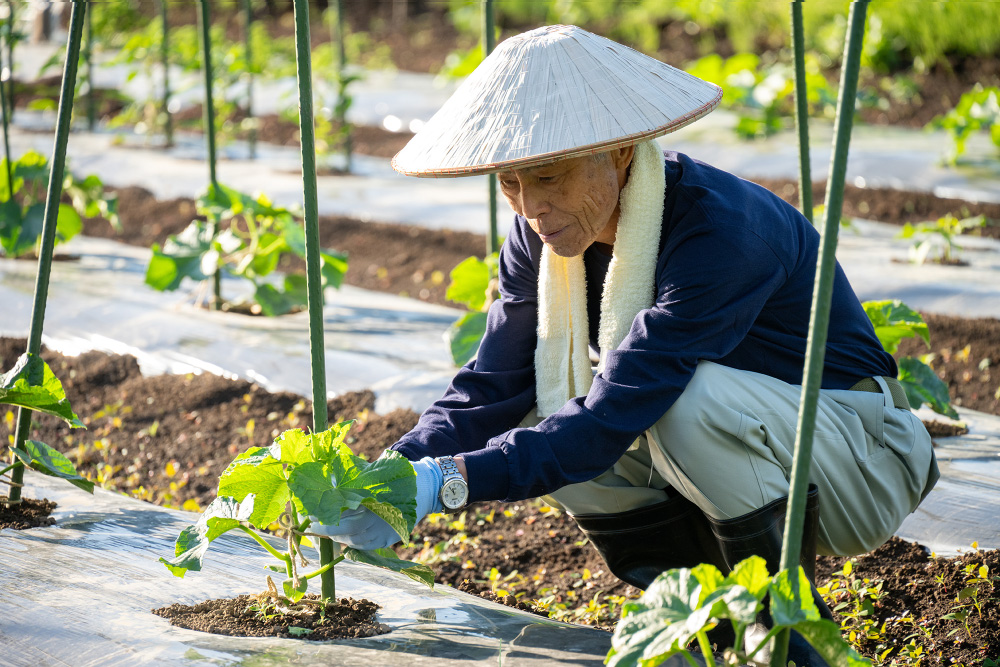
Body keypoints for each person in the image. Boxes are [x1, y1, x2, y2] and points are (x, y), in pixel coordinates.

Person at [312, 25, 938, 664]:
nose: (531, 207)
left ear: (616, 152)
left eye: (550, 176)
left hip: (857, 455)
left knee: (681, 400)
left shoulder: (719, 232)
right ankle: (704, 625)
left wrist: (445, 483)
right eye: (510, 182)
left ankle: (786, 639)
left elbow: (617, 411)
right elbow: (492, 386)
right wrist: (387, 475)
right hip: (744, 457)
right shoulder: (541, 240)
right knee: (544, 411)